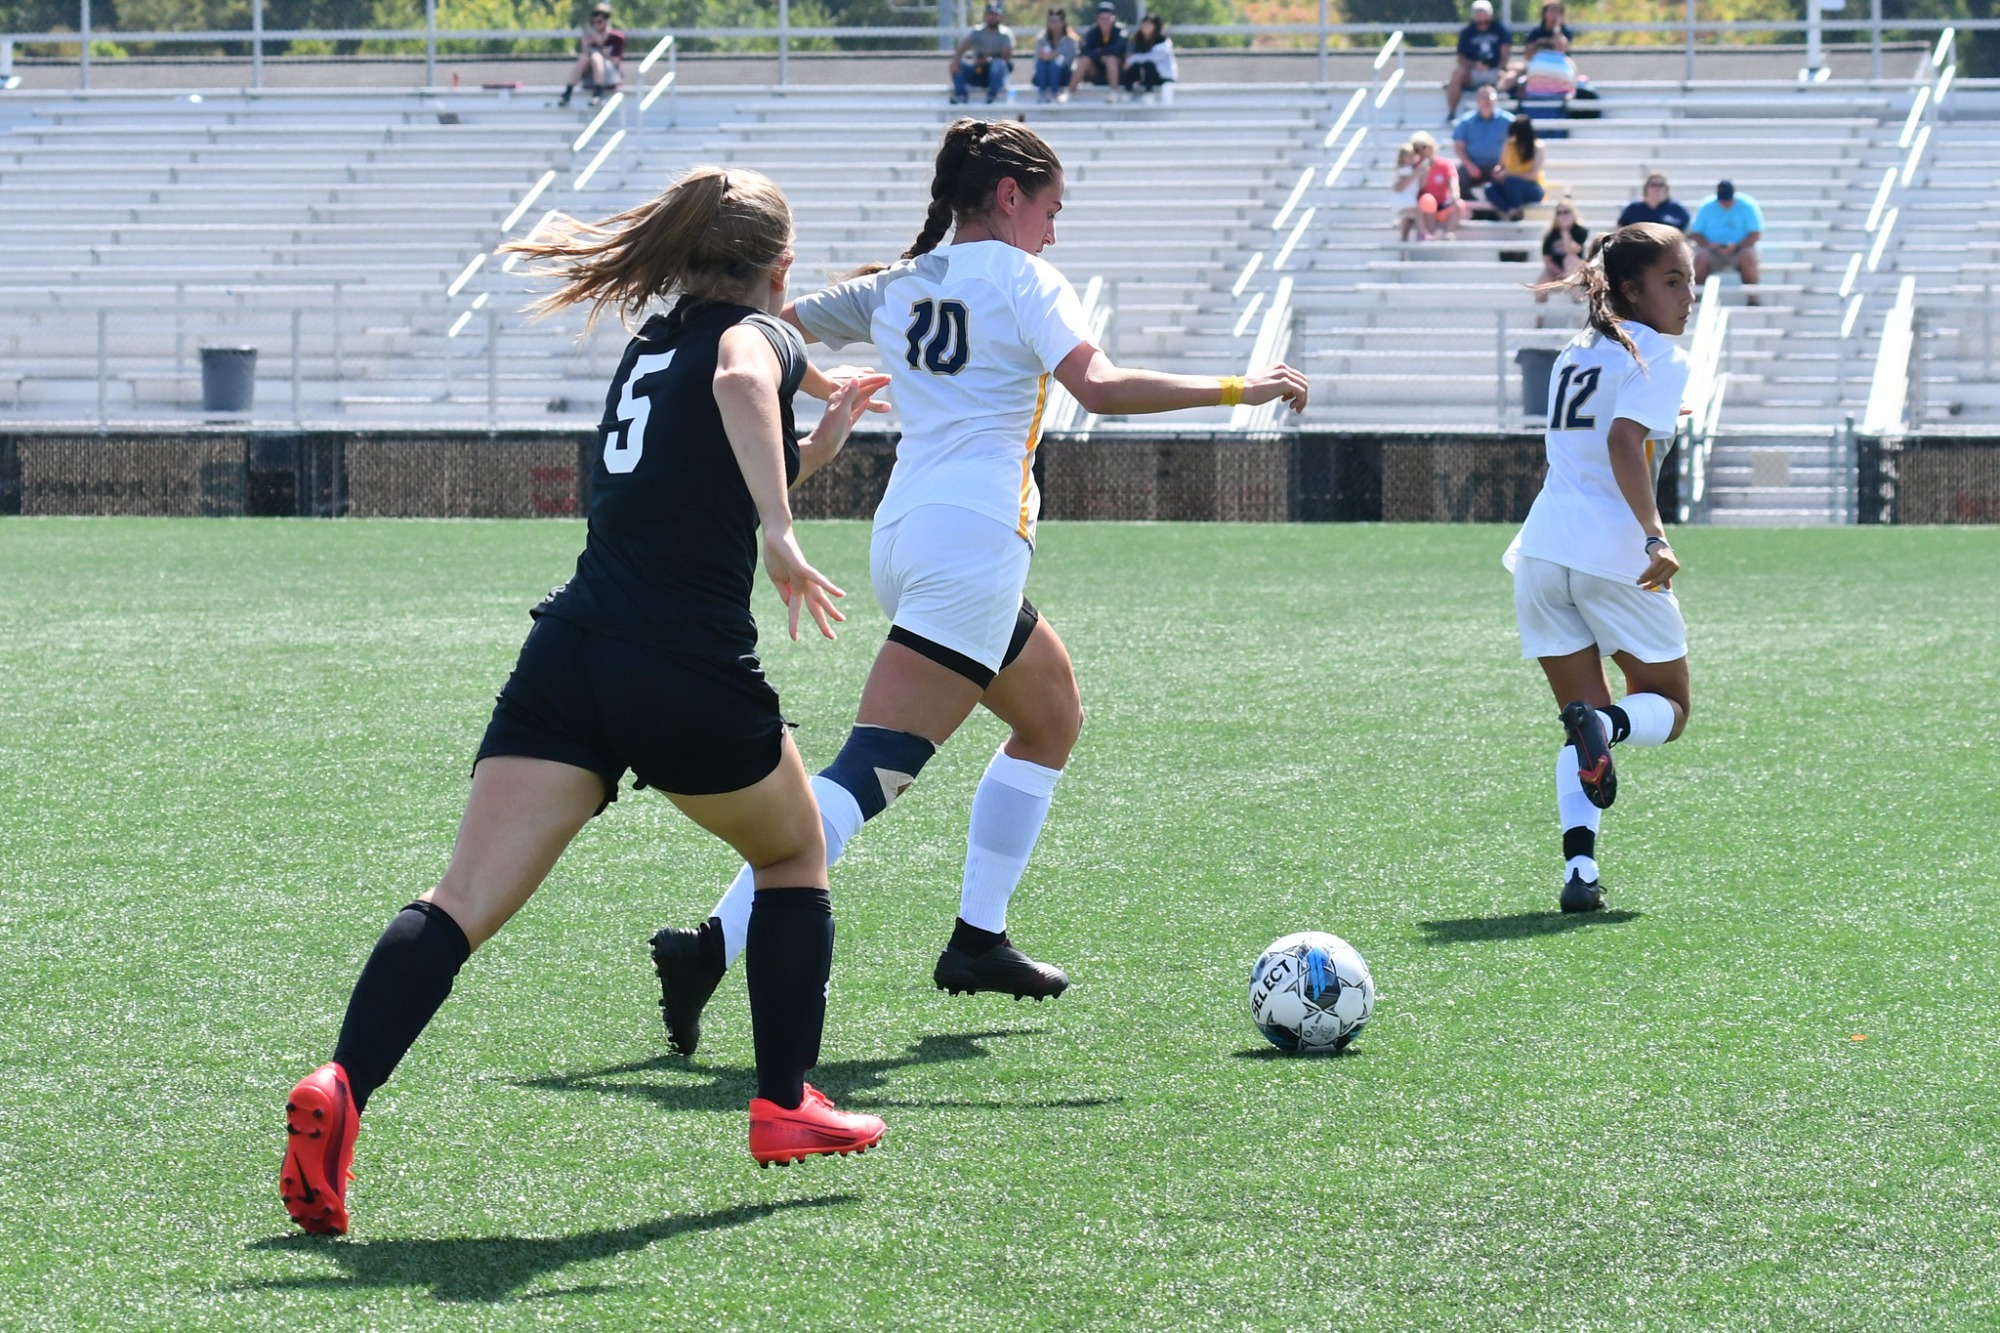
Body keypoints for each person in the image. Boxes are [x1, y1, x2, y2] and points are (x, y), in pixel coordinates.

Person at [277, 167, 894, 1236]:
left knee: (459, 899)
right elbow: (745, 382)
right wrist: (784, 530)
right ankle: (787, 1101)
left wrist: (814, 452)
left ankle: (342, 1084)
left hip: (570, 652)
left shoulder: (649, 344)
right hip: (684, 666)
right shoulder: (760, 334)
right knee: (793, 854)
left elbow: (705, 455)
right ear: (777, 268)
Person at [646, 119, 1308, 1058]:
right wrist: (1241, 389)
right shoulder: (1023, 278)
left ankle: (979, 938)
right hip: (973, 541)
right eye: (1050, 209)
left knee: (1052, 717)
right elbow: (1102, 389)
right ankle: (711, 945)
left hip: (908, 536)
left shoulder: (899, 282)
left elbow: (772, 328)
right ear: (1008, 195)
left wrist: (828, 384)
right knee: (870, 771)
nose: (1053, 231)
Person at [1507, 222, 1696, 914]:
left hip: (1540, 551)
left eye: (1691, 280)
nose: (1689, 295)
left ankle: (1580, 871)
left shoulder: (1575, 350)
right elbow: (1623, 441)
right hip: (1611, 554)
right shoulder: (1661, 354)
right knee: (1668, 709)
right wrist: (1654, 537)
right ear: (1627, 288)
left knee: (1579, 717)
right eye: (1673, 281)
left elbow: (1595, 438)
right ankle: (1608, 730)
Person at [1688, 179, 1762, 299]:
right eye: (1722, 199)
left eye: (1728, 199)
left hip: (1739, 250)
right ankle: (1695, 297)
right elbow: (1695, 234)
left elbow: (1755, 234)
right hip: (1712, 251)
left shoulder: (1747, 206)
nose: (1725, 203)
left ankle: (1752, 297)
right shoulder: (1707, 206)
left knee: (1748, 257)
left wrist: (1737, 246)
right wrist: (1709, 245)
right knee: (1700, 258)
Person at [1446, 0, 1511, 122]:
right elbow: (1461, 59)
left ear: (1490, 16)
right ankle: (1451, 112)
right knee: (1457, 74)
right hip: (1474, 72)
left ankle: (1500, 109)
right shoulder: (1467, 33)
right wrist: (1474, 65)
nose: (1482, 24)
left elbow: (1505, 54)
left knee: (1514, 72)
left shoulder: (1500, 30)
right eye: (1479, 21)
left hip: (1495, 71)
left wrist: (1500, 68)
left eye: (1485, 21)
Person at [1453, 86, 1515, 204]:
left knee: (1511, 182)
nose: (1487, 101)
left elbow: (1515, 146)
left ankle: (1502, 212)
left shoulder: (1509, 121)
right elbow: (1458, 146)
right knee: (1456, 180)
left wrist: (1502, 166)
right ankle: (1475, 212)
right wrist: (1469, 165)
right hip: (1473, 165)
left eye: (1490, 98)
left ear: (1496, 100)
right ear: (1477, 100)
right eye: (1484, 98)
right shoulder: (1466, 121)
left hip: (1499, 166)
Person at [558, 2, 624, 108]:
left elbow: (615, 62)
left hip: (610, 76)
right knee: (584, 58)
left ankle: (598, 93)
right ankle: (568, 91)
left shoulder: (616, 37)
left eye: (599, 21)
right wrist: (586, 46)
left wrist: (601, 46)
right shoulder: (589, 36)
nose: (596, 25)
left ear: (606, 20)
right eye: (594, 22)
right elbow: (585, 60)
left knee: (596, 57)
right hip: (591, 76)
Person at [952, 1, 1016, 105]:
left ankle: (992, 96)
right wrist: (956, 59)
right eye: (990, 14)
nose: (993, 17)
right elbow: (964, 46)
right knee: (957, 65)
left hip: (997, 75)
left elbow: (1005, 57)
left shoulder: (1005, 35)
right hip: (979, 70)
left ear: (1000, 16)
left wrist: (989, 60)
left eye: (996, 14)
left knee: (997, 65)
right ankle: (961, 96)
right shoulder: (977, 32)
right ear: (985, 15)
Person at [1485, 112, 1546, 220]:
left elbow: (1532, 176)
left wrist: (1509, 175)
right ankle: (1512, 210)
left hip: (1532, 188)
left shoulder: (1537, 147)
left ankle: (1515, 212)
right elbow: (1501, 165)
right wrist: (1497, 171)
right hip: (1510, 186)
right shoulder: (1509, 145)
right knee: (1489, 188)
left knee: (1512, 182)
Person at [1406, 130, 1461, 241]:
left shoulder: (1445, 164)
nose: (1421, 152)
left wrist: (1455, 194)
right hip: (1424, 208)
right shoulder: (1414, 167)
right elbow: (1415, 189)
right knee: (1428, 200)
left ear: (1431, 146)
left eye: (1424, 147)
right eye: (1417, 149)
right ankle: (1430, 236)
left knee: (1459, 204)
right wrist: (1421, 173)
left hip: (1442, 206)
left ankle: (1449, 234)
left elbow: (1453, 182)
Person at [1071, 1, 1128, 100]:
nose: (1105, 22)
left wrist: (1100, 53)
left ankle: (1113, 93)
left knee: (1111, 59)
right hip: (1096, 71)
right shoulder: (1092, 32)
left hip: (1117, 72)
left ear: (1113, 19)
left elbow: (1118, 49)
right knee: (1084, 60)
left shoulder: (1120, 31)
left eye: (1107, 19)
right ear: (1097, 19)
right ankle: (1069, 92)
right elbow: (1084, 50)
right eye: (1102, 19)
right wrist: (1101, 55)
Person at [1536, 197, 1587, 304]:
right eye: (1559, 213)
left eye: (1566, 212)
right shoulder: (1550, 234)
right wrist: (1561, 275)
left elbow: (1573, 251)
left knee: (1569, 259)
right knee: (1541, 284)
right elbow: (1548, 260)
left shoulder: (1579, 230)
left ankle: (1578, 300)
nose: (1562, 215)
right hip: (1557, 271)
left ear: (1573, 213)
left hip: (1576, 271)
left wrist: (1565, 232)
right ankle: (1540, 317)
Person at [1121, 14, 1177, 98]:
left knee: (1148, 64)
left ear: (1155, 26)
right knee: (1133, 66)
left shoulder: (1163, 41)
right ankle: (1127, 91)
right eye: (1144, 24)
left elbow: (1153, 58)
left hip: (1163, 77)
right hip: (1145, 76)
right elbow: (1130, 55)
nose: (1145, 26)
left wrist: (1132, 59)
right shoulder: (1138, 40)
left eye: (1149, 24)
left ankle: (1149, 93)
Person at [1617, 172, 1691, 232]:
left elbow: (1685, 232)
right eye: (1653, 185)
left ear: (1666, 188)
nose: (1656, 188)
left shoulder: (1676, 209)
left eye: (1660, 185)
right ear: (1646, 188)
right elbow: (1620, 229)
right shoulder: (1633, 208)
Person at [1033, 9, 1078, 103]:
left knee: (1054, 65)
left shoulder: (1070, 40)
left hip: (1063, 74)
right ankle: (1042, 93)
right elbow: (1037, 57)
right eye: (1052, 21)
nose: (1054, 24)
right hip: (1045, 73)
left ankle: (1054, 93)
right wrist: (1047, 57)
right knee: (1041, 63)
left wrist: (1055, 56)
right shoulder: (1042, 40)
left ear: (1063, 23)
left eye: (1057, 21)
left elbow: (1069, 60)